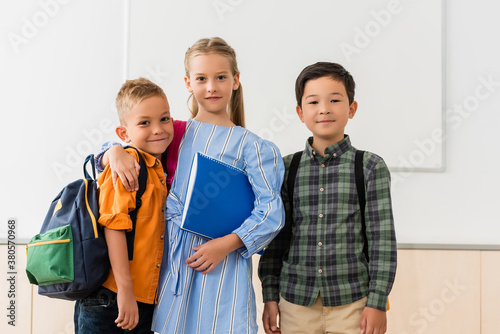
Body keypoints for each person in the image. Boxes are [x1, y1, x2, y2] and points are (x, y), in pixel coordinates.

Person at [97, 37, 285, 334]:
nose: (211, 87)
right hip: (172, 268)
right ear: (188, 83)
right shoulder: (174, 133)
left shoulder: (253, 147)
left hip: (222, 266)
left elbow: (271, 212)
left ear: (235, 81)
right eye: (201, 78)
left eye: (221, 77)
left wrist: (225, 245)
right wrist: (112, 151)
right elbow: (130, 142)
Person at [258, 62, 397, 334]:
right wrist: (270, 296)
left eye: (335, 100)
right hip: (295, 302)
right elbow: (276, 241)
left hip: (353, 303)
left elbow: (382, 242)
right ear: (300, 112)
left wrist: (377, 303)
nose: (324, 109)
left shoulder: (369, 167)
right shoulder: (286, 168)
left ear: (351, 108)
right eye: (313, 102)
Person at [74, 78, 174, 333]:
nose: (158, 129)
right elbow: (114, 226)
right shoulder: (129, 165)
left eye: (165, 119)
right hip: (113, 298)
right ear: (123, 134)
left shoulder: (157, 170)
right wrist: (126, 293)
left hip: (144, 301)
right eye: (144, 123)